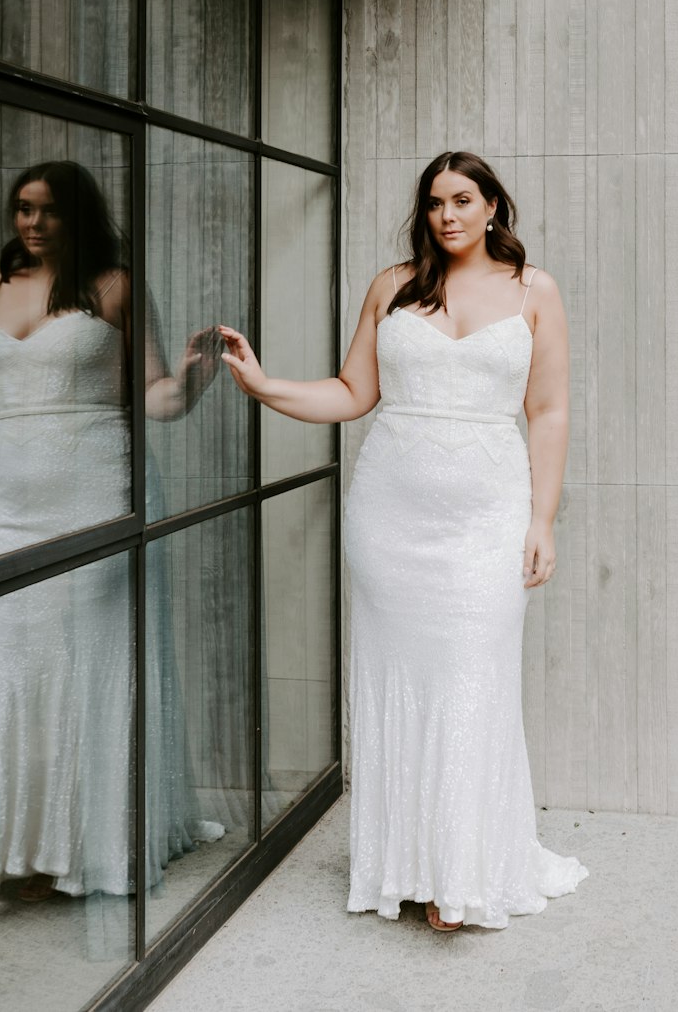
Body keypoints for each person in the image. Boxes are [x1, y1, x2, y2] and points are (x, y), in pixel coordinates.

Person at [220, 150, 588, 931]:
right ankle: (411, 867)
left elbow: (548, 412)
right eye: (433, 203)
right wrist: (264, 385)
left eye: (461, 200)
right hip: (390, 520)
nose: (446, 215)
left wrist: (542, 519)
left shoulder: (535, 291)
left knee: (471, 680)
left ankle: (461, 873)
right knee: (402, 686)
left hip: (486, 519)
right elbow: (353, 393)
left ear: (494, 207)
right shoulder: (393, 287)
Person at [0, 159, 223, 901]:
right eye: (22, 209)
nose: (32, 223)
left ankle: (93, 850)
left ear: (78, 215)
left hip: (97, 499)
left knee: (92, 671)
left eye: (47, 210)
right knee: (16, 668)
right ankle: (21, 852)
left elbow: (157, 399)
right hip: (17, 509)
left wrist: (194, 378)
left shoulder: (114, 284)